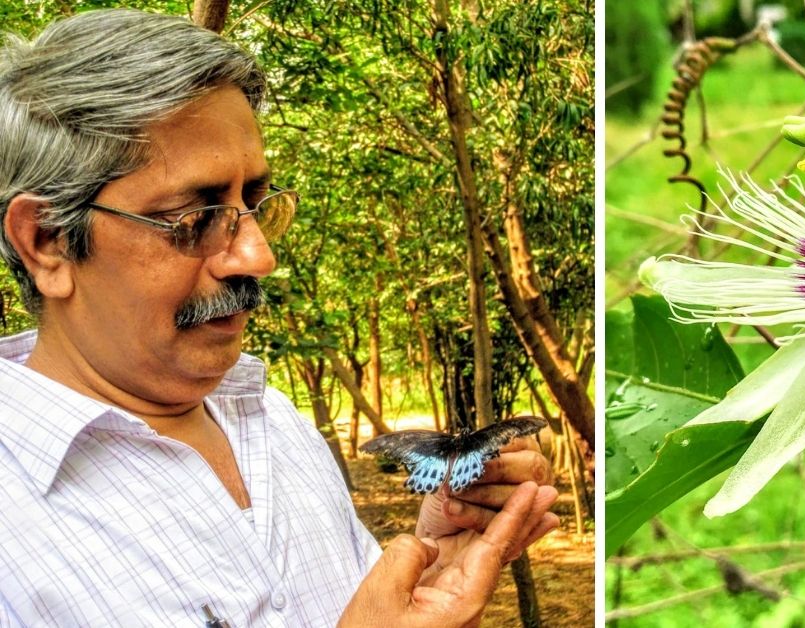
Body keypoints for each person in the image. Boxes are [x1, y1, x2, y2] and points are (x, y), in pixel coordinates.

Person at [0, 8, 559, 627]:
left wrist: (429, 575)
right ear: (47, 241)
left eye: (257, 204)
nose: (258, 256)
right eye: (194, 218)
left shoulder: (276, 425)